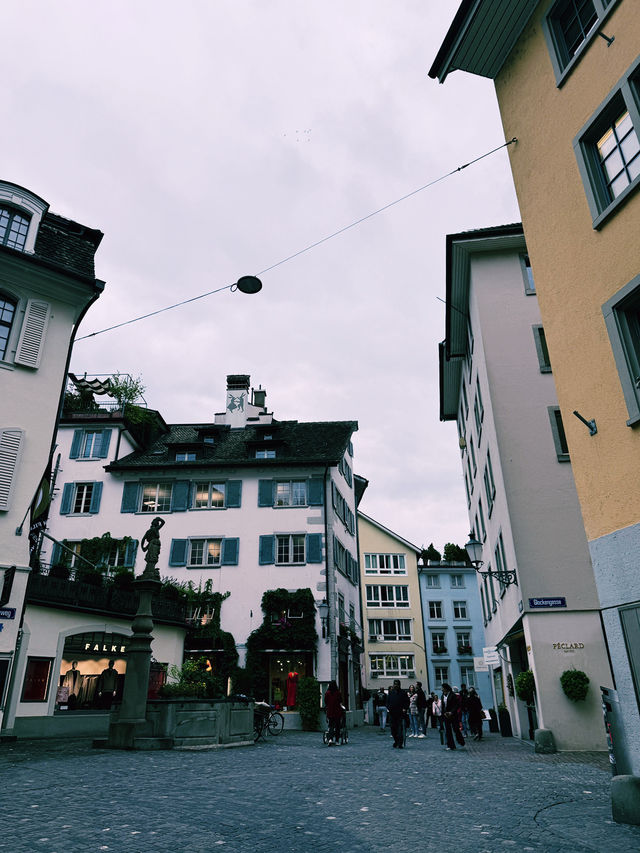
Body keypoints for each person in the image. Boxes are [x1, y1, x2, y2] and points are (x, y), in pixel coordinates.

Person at [442, 683, 465, 750]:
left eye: (443, 688)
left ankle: (461, 741)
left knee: (456, 729)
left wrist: (451, 712)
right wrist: (444, 713)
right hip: (446, 715)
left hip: (453, 715)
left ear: (446, 688)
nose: (442, 689)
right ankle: (451, 745)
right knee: (448, 730)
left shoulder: (453, 695)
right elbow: (443, 706)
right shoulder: (442, 696)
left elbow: (457, 705)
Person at [387, 679, 409, 749]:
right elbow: (387, 701)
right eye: (394, 684)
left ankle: (400, 743)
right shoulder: (391, 693)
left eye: (397, 684)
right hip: (392, 713)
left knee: (400, 729)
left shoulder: (403, 693)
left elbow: (407, 702)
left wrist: (405, 708)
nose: (395, 685)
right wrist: (388, 707)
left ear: (399, 685)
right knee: (393, 729)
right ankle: (396, 741)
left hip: (400, 714)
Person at [324, 680, 343, 745]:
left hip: (330, 712)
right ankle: (337, 741)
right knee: (337, 726)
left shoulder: (327, 693)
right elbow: (340, 701)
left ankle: (330, 739)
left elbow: (325, 701)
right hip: (337, 712)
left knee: (331, 726)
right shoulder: (338, 693)